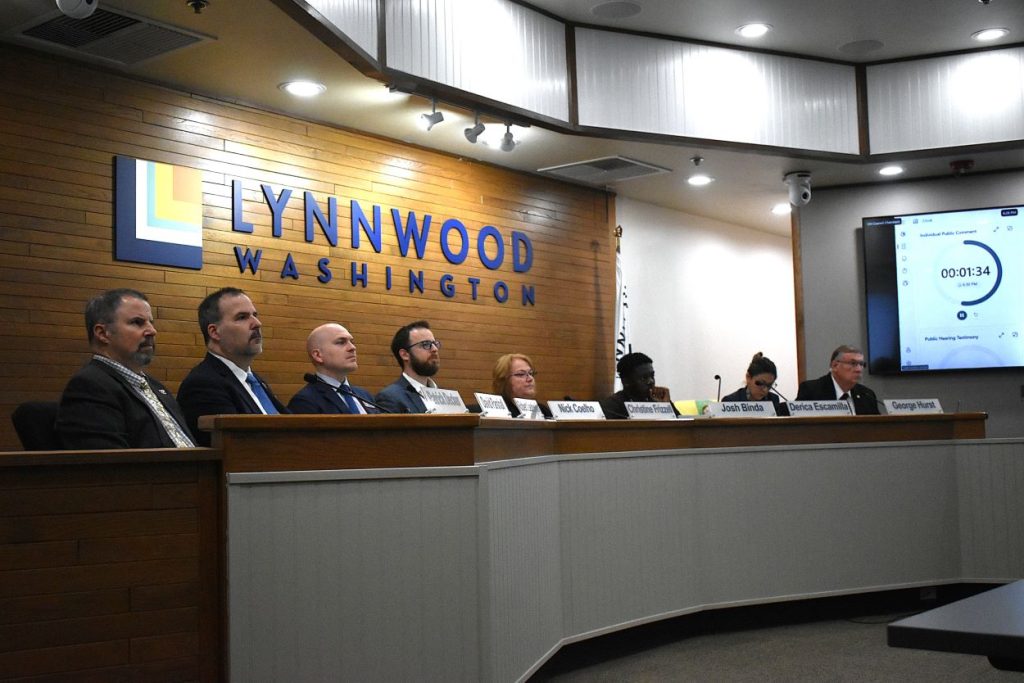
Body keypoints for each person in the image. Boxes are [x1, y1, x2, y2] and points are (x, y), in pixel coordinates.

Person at [55, 288, 195, 449]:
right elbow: (110, 461)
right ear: (103, 333)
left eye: (151, 322)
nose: (152, 331)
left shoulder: (156, 387)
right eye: (137, 322)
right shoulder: (89, 387)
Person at [177, 287, 288, 445]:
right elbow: (238, 449)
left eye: (255, 315)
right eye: (242, 317)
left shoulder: (255, 382)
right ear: (215, 332)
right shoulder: (203, 384)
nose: (257, 324)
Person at [288, 323, 378, 414]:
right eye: (341, 342)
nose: (352, 347)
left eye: (352, 342)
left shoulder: (364, 395)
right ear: (318, 355)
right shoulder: (304, 402)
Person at [375, 320, 442, 414]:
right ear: (405, 354)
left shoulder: (445, 395)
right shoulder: (390, 398)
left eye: (435, 344)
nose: (434, 349)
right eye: (426, 344)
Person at [796, 344, 880, 415]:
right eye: (853, 363)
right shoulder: (811, 390)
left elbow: (876, 427)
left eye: (861, 364)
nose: (859, 369)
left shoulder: (867, 395)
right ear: (835, 365)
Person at [599, 352, 673, 419]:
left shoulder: (657, 400)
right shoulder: (612, 406)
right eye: (644, 378)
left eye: (652, 376)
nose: (651, 381)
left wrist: (666, 406)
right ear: (626, 382)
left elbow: (678, 426)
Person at [721, 352, 789, 416]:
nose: (765, 390)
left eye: (769, 385)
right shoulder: (730, 401)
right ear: (748, 377)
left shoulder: (773, 400)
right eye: (760, 383)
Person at [492, 353, 551, 418]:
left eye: (531, 373)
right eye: (521, 374)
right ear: (503, 380)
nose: (530, 379)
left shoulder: (543, 411)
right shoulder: (494, 410)